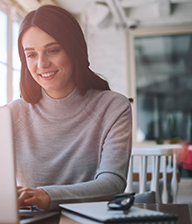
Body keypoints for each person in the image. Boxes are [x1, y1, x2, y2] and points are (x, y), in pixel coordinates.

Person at [8, 4, 132, 211]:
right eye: (31, 54)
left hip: (88, 218)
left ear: (74, 50)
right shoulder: (12, 113)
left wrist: (48, 195)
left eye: (52, 50)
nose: (42, 64)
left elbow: (113, 183)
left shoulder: (113, 107)